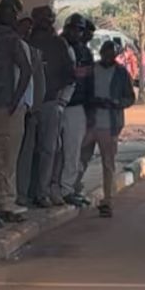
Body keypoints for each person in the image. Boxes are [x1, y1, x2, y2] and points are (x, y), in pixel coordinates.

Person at [0, 0, 32, 228]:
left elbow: (26, 70)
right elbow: (27, 70)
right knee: (1, 158)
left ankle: (0, 202)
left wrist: (14, 99)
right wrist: (15, 99)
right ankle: (2, 202)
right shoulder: (4, 38)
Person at [78, 41, 136, 217]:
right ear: (101, 52)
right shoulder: (91, 70)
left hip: (111, 124)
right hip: (90, 122)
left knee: (108, 163)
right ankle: (72, 189)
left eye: (111, 54)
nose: (108, 57)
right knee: (80, 158)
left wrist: (115, 103)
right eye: (105, 53)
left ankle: (107, 200)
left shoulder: (121, 73)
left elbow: (130, 98)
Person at [31, 5, 73, 207]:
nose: (46, 21)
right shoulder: (26, 41)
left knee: (49, 149)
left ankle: (44, 190)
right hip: (27, 105)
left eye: (49, 17)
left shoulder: (59, 44)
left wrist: (58, 96)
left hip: (50, 102)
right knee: (28, 152)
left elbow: (69, 74)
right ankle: (25, 192)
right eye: (42, 18)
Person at [57, 14, 94, 208]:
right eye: (73, 29)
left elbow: (88, 83)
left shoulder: (83, 52)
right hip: (56, 103)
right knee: (53, 151)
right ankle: (55, 188)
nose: (76, 33)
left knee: (72, 151)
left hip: (76, 105)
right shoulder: (58, 46)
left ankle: (67, 188)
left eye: (79, 30)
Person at [15, 14, 45, 207]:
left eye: (29, 29)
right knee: (15, 157)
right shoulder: (11, 47)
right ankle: (16, 194)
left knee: (28, 154)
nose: (27, 31)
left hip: (30, 110)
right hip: (15, 109)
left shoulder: (34, 52)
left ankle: (24, 192)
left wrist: (34, 107)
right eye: (23, 27)